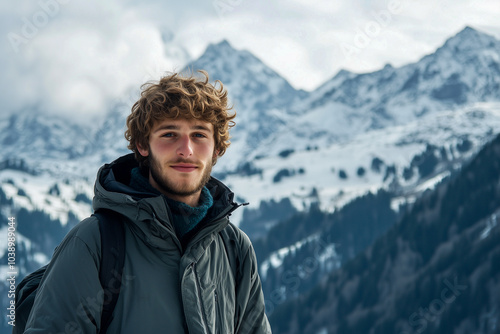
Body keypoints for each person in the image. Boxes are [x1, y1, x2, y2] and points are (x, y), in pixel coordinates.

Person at [24, 71, 271, 333]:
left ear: (217, 149)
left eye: (199, 134)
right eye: (169, 134)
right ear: (143, 144)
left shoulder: (235, 248)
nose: (186, 149)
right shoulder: (94, 242)